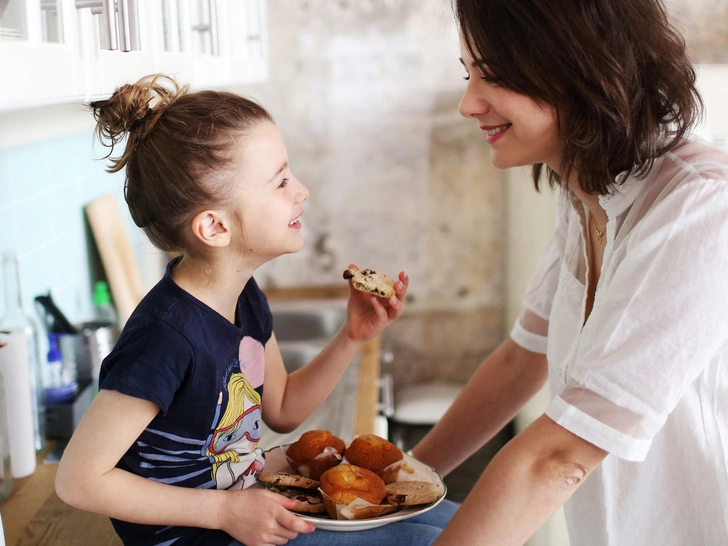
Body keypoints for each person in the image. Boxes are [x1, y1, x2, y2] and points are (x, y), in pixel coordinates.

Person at [55, 74, 457, 546]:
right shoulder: (165, 338)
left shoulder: (244, 298)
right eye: (281, 180)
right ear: (215, 227)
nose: (301, 190)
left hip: (246, 508)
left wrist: (352, 336)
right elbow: (79, 481)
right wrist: (224, 509)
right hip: (203, 536)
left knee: (452, 522)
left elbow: (283, 409)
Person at [411, 0, 728, 545]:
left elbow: (560, 456)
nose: (468, 104)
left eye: (493, 77)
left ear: (577, 69)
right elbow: (520, 361)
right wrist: (396, 484)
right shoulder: (589, 190)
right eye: (469, 75)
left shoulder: (702, 208)